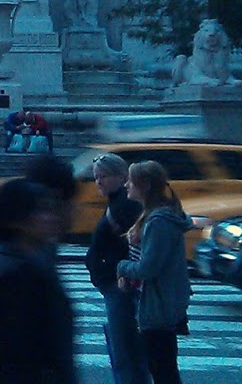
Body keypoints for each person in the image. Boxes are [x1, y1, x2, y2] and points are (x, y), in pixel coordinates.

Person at [0, 178, 77, 384]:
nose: (52, 218)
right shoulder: (17, 278)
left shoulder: (27, 266)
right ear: (17, 221)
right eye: (42, 211)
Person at [118, 161, 192, 384]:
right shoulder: (154, 217)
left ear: (145, 185)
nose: (126, 185)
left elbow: (148, 267)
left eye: (131, 181)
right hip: (156, 300)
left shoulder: (158, 221)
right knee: (161, 365)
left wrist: (122, 267)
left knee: (162, 368)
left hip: (158, 303)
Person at [85, 153, 147, 384]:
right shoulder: (118, 203)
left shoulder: (124, 205)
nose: (99, 182)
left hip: (120, 286)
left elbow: (130, 245)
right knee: (126, 349)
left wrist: (110, 270)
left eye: (103, 176)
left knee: (125, 351)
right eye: (96, 177)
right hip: (116, 283)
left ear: (121, 177)